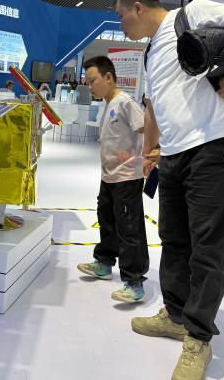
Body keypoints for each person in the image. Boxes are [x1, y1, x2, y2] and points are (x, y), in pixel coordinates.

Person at [115, 0, 224, 380]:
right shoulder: (151, 53)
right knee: (174, 238)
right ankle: (176, 315)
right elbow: (153, 106)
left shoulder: (190, 15)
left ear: (138, 8)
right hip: (174, 154)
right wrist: (150, 151)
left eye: (122, 17)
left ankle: (198, 338)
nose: (123, 25)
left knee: (209, 247)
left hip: (215, 147)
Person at [77, 56, 150, 303]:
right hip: (109, 177)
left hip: (127, 177)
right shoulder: (109, 104)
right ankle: (104, 263)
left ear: (108, 77)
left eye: (92, 81)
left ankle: (134, 282)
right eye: (87, 83)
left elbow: (146, 128)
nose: (90, 87)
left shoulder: (125, 102)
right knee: (106, 220)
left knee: (129, 228)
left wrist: (145, 156)